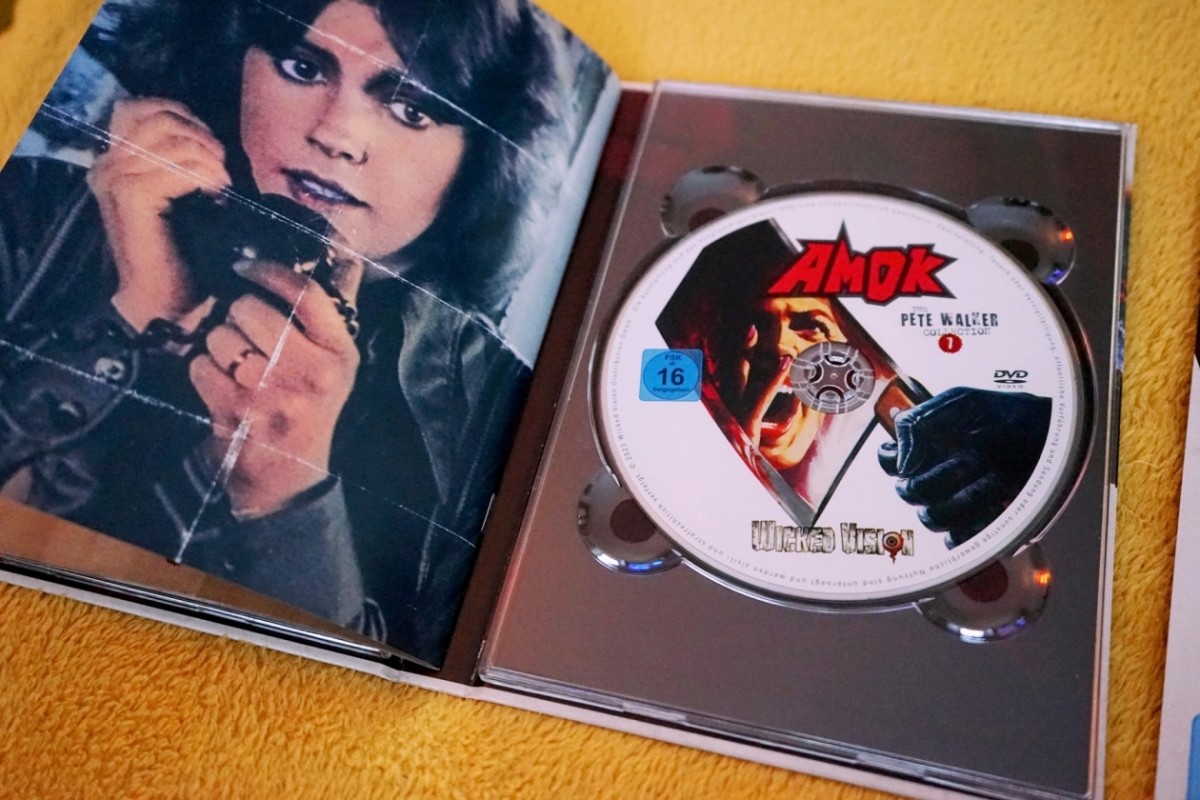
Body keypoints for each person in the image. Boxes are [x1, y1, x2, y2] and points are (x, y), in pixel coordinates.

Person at [0, 0, 597, 666]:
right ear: (235, 63)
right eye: (302, 68)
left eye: (412, 109)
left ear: (482, 157)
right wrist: (132, 316)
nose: (336, 135)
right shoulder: (34, 206)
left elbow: (398, 692)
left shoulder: (505, 409)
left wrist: (285, 488)